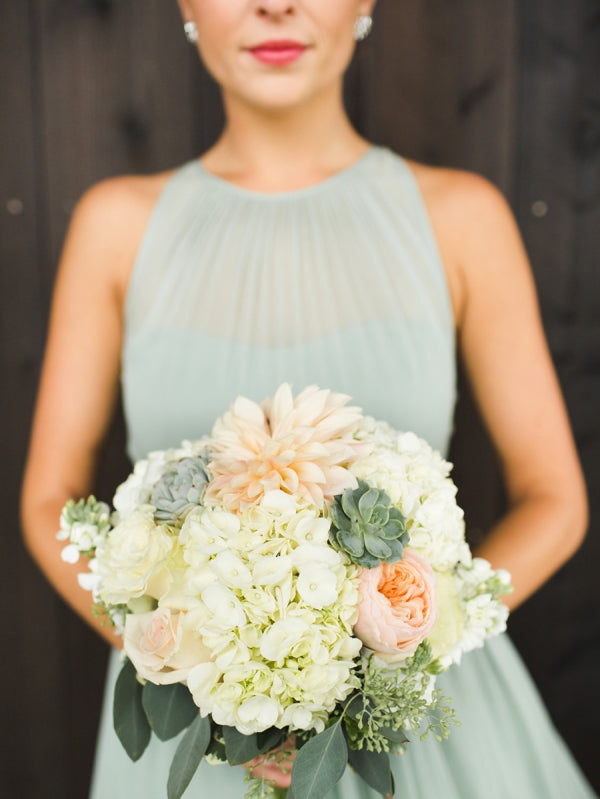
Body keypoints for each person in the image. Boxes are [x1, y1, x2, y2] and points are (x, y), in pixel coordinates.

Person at [20, 1, 597, 797]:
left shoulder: (463, 218)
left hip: (426, 723)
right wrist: (190, 660)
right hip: (192, 730)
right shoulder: (115, 227)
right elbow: (48, 498)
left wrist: (404, 649)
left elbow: (554, 499)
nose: (275, 5)